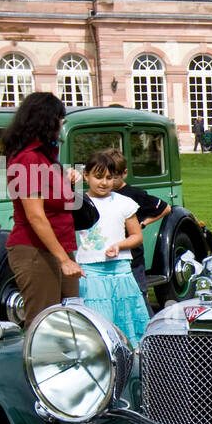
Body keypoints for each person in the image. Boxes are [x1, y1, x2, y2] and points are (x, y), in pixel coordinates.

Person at [4, 92, 84, 326]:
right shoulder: (27, 159)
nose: (62, 124)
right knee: (44, 324)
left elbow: (52, 200)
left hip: (59, 245)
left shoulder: (46, 157)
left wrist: (66, 182)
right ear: (48, 121)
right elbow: (35, 215)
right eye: (60, 118)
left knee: (69, 321)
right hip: (35, 250)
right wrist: (64, 260)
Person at [73, 148, 150, 346]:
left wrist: (119, 245)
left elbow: (136, 236)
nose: (104, 182)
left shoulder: (124, 202)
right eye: (98, 177)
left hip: (120, 269)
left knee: (127, 320)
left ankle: (133, 358)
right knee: (98, 323)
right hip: (92, 272)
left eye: (109, 177)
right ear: (86, 175)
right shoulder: (78, 202)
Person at [111, 162, 172, 305]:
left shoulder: (134, 194)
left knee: (139, 296)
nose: (110, 182)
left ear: (124, 173)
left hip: (133, 257)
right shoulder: (104, 195)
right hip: (113, 256)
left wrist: (143, 223)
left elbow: (166, 208)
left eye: (114, 177)